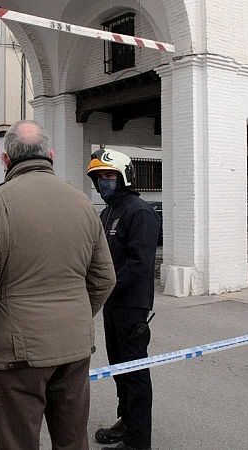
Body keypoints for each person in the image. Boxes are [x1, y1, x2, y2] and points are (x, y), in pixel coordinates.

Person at [0, 120, 116, 450]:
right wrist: (75, 314)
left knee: (18, 441)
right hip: (73, 346)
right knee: (73, 441)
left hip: (19, 354)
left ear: (5, 160)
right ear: (51, 155)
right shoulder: (83, 203)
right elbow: (104, 278)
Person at [87, 148, 161, 450]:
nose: (104, 182)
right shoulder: (107, 213)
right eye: (100, 177)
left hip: (132, 306)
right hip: (113, 304)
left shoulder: (139, 212)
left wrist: (106, 286)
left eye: (109, 176)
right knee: (119, 368)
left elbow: (139, 264)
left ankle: (138, 440)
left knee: (134, 372)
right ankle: (126, 420)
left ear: (124, 177)